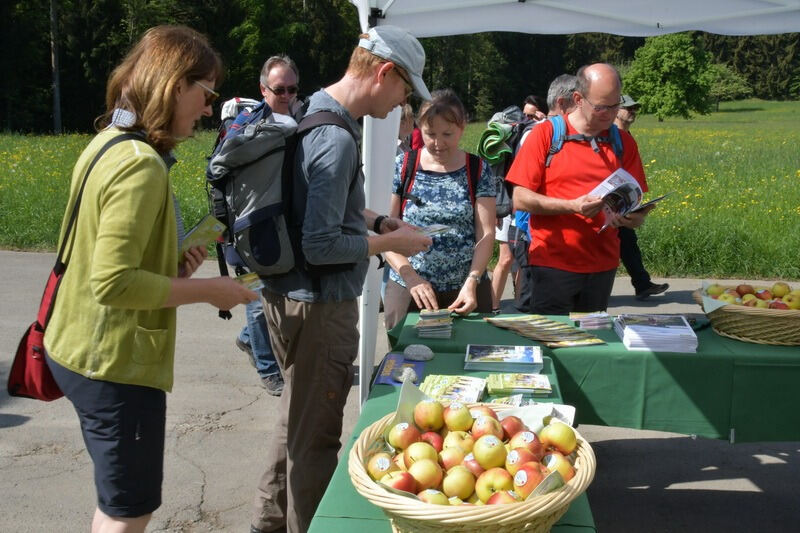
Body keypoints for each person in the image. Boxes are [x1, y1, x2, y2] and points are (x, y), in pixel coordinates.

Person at [42, 25, 257, 533]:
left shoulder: (109, 142)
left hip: (77, 346)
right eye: (206, 93)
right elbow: (113, 284)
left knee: (121, 499)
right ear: (174, 85)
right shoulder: (141, 165)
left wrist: (171, 267)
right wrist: (212, 291)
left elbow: (102, 253)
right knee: (128, 508)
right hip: (114, 364)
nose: (208, 109)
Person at [250, 26, 432, 533]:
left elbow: (322, 209)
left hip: (287, 295)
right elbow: (322, 244)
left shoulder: (311, 109)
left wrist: (377, 223)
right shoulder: (335, 136)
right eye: (403, 90)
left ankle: (268, 522)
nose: (401, 103)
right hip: (319, 305)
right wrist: (395, 244)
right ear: (384, 73)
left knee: (294, 421)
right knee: (316, 438)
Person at [506, 63, 653, 314]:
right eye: (600, 107)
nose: (609, 114)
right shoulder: (546, 135)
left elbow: (636, 210)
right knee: (552, 343)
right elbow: (520, 198)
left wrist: (631, 218)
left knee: (591, 344)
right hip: (551, 264)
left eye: (615, 105)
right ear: (578, 99)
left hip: (602, 266)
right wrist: (572, 206)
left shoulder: (623, 142)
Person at [383, 89, 497, 330]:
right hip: (409, 288)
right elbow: (385, 232)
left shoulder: (478, 169)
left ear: (463, 127)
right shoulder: (402, 167)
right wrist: (411, 277)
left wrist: (472, 281)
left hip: (466, 291)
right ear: (418, 127)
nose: (438, 143)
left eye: (447, 134)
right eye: (430, 133)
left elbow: (486, 233)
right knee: (406, 364)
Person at [234, 55, 303, 396]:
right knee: (256, 299)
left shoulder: (300, 120)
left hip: (281, 232)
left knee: (269, 297)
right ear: (263, 89)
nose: (287, 95)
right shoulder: (246, 127)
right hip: (246, 234)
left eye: (292, 89)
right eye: (279, 90)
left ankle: (248, 340)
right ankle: (267, 368)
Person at [614, 94, 669, 300]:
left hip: (626, 198)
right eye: (628, 108)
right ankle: (642, 284)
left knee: (627, 242)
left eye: (635, 108)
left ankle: (642, 284)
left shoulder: (626, 135)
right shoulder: (614, 137)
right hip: (616, 200)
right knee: (624, 243)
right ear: (616, 110)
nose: (632, 112)